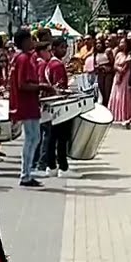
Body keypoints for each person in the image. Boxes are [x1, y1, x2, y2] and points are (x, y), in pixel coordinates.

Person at [8, 30, 48, 187]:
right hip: (26, 103)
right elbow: (23, 84)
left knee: (33, 138)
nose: (33, 41)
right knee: (32, 138)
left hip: (27, 102)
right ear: (24, 41)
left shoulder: (21, 58)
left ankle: (27, 172)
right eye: (31, 39)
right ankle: (25, 174)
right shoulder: (23, 59)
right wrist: (42, 86)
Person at [42, 39, 75, 176]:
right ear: (54, 48)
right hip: (60, 104)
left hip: (51, 104)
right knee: (62, 137)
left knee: (51, 136)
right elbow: (60, 86)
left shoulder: (50, 64)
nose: (65, 50)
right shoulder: (58, 65)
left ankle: (51, 166)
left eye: (66, 47)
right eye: (62, 47)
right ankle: (63, 167)